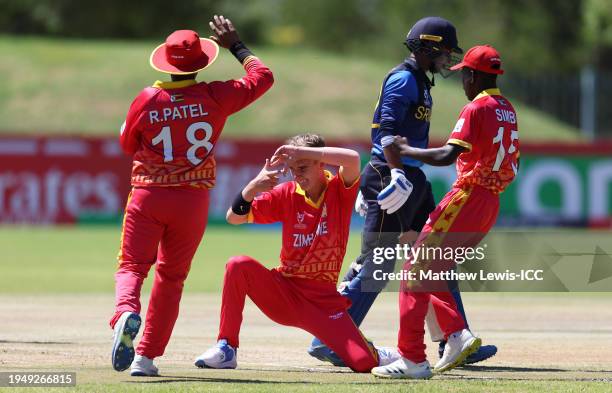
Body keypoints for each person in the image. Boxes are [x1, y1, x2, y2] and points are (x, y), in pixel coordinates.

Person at [308, 16, 496, 367]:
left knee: (434, 257)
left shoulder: (420, 82)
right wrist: (392, 175)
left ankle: (455, 340)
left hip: (412, 179)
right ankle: (330, 340)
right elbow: (386, 134)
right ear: (425, 47)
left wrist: (403, 175)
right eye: (442, 52)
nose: (446, 60)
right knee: (378, 267)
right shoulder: (403, 80)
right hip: (391, 177)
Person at [110, 15, 274, 377]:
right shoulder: (216, 95)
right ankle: (146, 359)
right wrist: (236, 45)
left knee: (132, 266)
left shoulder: (148, 97)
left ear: (165, 64)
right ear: (202, 62)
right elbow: (263, 77)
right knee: (171, 278)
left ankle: (125, 312)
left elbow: (126, 144)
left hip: (149, 195)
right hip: (193, 200)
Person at [371, 44, 519, 379]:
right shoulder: (508, 109)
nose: (462, 82)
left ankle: (412, 359)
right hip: (491, 202)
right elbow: (516, 160)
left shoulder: (476, 108)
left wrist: (407, 149)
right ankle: (456, 334)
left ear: (473, 75)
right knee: (430, 270)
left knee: (415, 269)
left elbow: (446, 156)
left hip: (467, 195)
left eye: (464, 74)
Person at [194, 134, 400, 372]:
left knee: (364, 363)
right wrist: (252, 187)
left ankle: (375, 351)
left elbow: (353, 159)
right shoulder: (287, 193)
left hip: (323, 303)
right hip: (285, 292)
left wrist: (303, 152)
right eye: (293, 169)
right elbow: (234, 217)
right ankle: (226, 348)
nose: (297, 175)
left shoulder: (338, 189)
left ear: (320, 163)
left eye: (302, 167)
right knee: (238, 265)